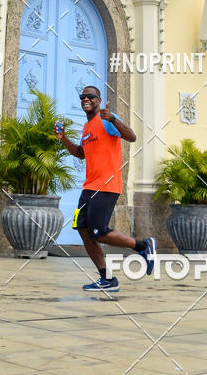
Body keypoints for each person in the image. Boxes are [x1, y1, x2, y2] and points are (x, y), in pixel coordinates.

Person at [54, 85, 156, 292]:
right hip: (89, 187)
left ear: (98, 99)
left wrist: (113, 119)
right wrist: (63, 138)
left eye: (90, 96)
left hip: (107, 186)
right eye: (82, 96)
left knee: (98, 232)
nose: (86, 99)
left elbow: (132, 137)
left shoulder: (106, 119)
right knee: (83, 230)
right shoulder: (87, 127)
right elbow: (81, 153)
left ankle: (143, 246)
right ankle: (107, 279)